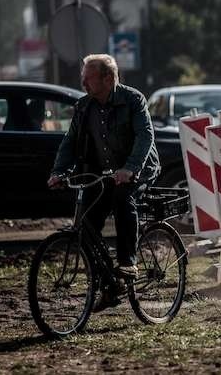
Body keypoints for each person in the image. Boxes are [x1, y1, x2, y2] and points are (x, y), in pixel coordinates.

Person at [47, 54, 160, 307]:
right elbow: (69, 141)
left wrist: (130, 168)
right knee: (86, 220)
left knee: (123, 198)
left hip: (138, 169)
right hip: (104, 173)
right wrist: (59, 172)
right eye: (82, 79)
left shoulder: (132, 99)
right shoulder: (84, 106)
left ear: (108, 79)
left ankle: (128, 263)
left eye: (88, 78)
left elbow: (145, 136)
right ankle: (109, 284)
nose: (83, 84)